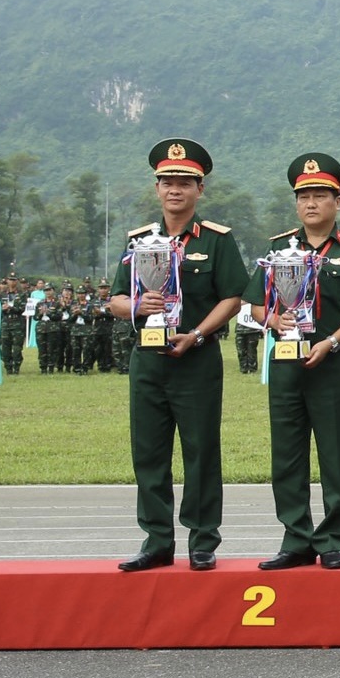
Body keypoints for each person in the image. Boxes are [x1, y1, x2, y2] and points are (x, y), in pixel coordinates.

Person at [104, 138, 248, 572]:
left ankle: (202, 540)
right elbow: (115, 300)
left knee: (201, 451)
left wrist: (198, 334)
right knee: (148, 452)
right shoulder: (139, 241)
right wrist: (137, 306)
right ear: (157, 188)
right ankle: (156, 540)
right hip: (148, 360)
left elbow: (233, 297)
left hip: (196, 359)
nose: (175, 190)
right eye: (167, 182)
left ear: (199, 189)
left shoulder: (217, 241)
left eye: (185, 183)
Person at [243, 154, 340, 571]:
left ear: (337, 202)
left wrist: (332, 341)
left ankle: (333, 539)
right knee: (286, 454)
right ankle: (296, 538)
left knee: (336, 454)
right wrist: (273, 320)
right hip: (286, 363)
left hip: (334, 364)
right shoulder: (278, 248)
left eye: (320, 195)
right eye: (303, 196)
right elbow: (255, 304)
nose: (310, 203)